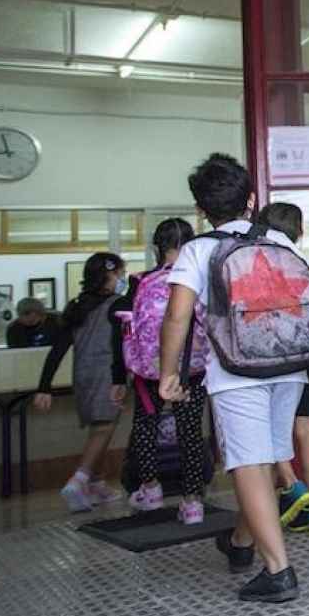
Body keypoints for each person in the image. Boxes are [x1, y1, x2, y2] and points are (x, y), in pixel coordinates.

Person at [158, 153, 305, 603]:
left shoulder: (198, 250)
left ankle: (278, 571)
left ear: (201, 210)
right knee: (262, 460)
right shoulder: (280, 239)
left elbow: (177, 316)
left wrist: (168, 372)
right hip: (290, 365)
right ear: (252, 199)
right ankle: (242, 542)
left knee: (247, 463)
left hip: (237, 372)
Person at [111, 218, 210, 524]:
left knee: (145, 426)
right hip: (190, 368)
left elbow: (121, 326)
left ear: (158, 246)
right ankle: (193, 502)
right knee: (190, 432)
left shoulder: (141, 281)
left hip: (148, 370)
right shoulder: (199, 280)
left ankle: (150, 489)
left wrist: (119, 376)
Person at [255, 202, 309, 533]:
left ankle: (287, 492)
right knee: (306, 427)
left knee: (272, 430)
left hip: (274, 356)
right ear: (298, 231)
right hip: (308, 352)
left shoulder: (255, 265)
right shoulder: (305, 266)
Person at [33, 252, 127, 513]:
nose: (121, 278)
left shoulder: (77, 305)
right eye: (119, 273)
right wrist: (120, 379)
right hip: (107, 373)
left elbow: (59, 349)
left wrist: (44, 386)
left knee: (98, 427)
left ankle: (97, 483)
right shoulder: (116, 305)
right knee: (104, 428)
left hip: (82, 375)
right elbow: (119, 346)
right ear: (108, 274)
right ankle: (79, 479)